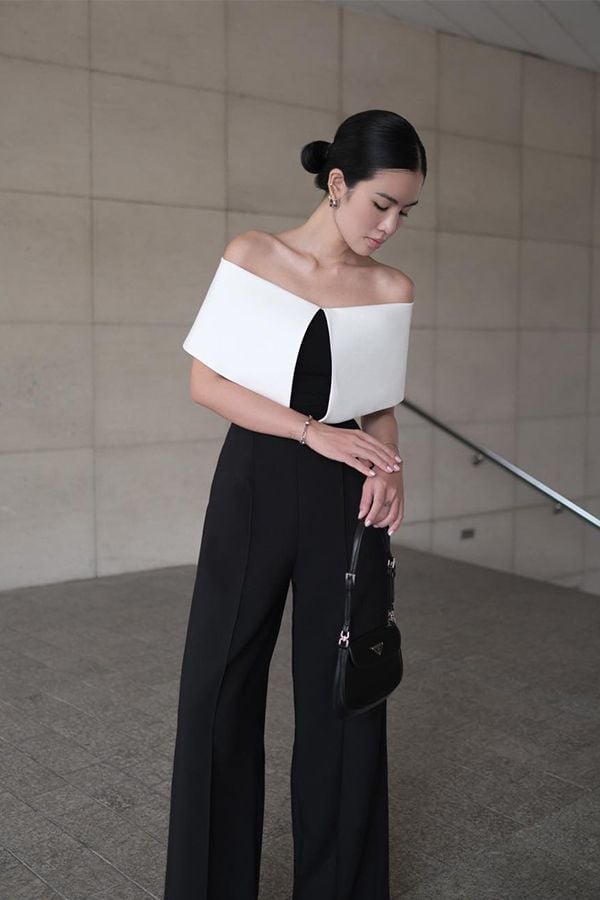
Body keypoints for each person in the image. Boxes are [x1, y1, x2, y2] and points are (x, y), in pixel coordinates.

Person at [162, 108, 427, 900]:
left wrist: (389, 468)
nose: (389, 226)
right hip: (256, 482)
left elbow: (379, 407)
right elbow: (207, 383)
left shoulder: (391, 288)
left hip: (348, 496)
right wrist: (311, 432)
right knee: (218, 688)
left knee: (345, 693)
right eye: (381, 203)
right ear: (337, 183)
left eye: (405, 212)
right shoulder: (254, 255)